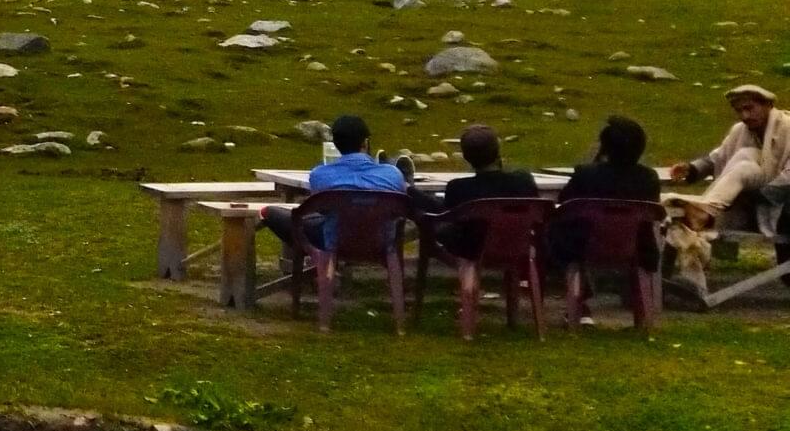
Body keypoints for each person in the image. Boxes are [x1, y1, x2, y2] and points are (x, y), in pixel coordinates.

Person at [553, 115, 666, 322]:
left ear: (604, 147)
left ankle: (579, 301)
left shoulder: (586, 175)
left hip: (584, 246)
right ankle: (643, 314)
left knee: (554, 231)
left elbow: (563, 205)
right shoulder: (648, 178)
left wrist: (594, 162)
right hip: (636, 247)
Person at [667, 85, 790, 262]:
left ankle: (705, 211)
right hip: (749, 207)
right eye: (739, 110)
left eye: (749, 108)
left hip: (783, 209)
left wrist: (756, 196)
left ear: (768, 105)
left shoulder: (787, 128)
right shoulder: (740, 130)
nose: (744, 116)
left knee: (744, 157)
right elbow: (717, 157)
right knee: (745, 156)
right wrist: (691, 168)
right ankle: (706, 211)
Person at [262, 113, 406, 258]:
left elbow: (321, 209)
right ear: (365, 143)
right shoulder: (393, 174)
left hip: (335, 243)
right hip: (382, 242)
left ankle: (316, 264)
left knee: (272, 213)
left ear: (335, 145)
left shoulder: (320, 175)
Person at [427, 123, 537, 259]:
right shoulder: (523, 180)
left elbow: (449, 216)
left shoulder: (458, 187)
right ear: (498, 151)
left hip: (472, 246)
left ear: (466, 157)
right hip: (516, 239)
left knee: (435, 217)